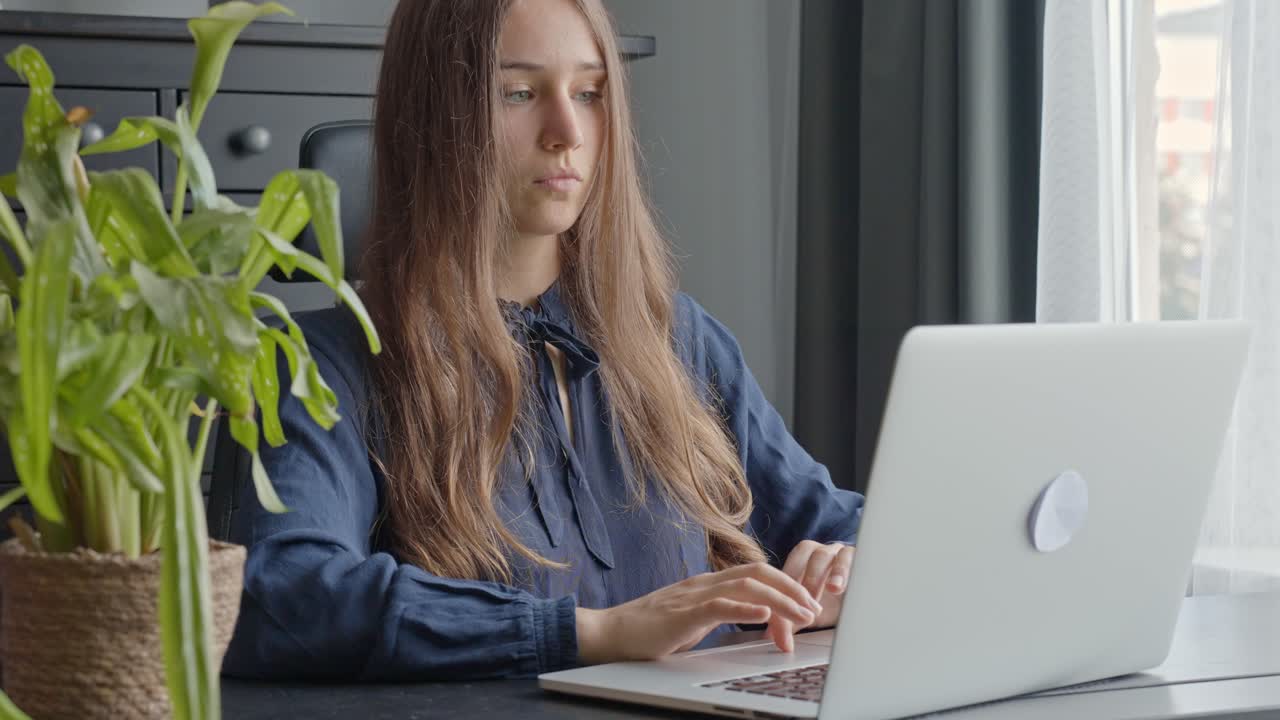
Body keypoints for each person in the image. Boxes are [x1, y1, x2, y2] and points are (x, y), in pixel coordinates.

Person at [222, 0, 864, 681]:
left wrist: (842, 575)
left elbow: (844, 524)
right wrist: (593, 634)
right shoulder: (319, 364)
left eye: (589, 93)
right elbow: (282, 593)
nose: (567, 132)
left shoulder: (681, 339)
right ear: (434, 117)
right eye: (519, 93)